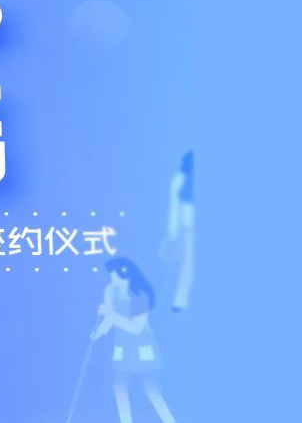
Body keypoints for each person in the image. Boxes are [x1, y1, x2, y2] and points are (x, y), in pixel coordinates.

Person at [92, 257, 177, 423]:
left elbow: (136, 328)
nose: (111, 278)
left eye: (114, 274)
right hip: (122, 346)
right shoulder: (111, 290)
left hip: (142, 346)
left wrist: (111, 315)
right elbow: (109, 317)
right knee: (119, 387)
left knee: (152, 389)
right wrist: (100, 331)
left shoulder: (140, 295)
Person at [161, 151, 197, 312]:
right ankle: (180, 301)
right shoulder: (181, 179)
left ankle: (180, 301)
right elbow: (174, 210)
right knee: (189, 264)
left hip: (191, 228)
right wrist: (172, 235)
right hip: (190, 230)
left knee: (189, 264)